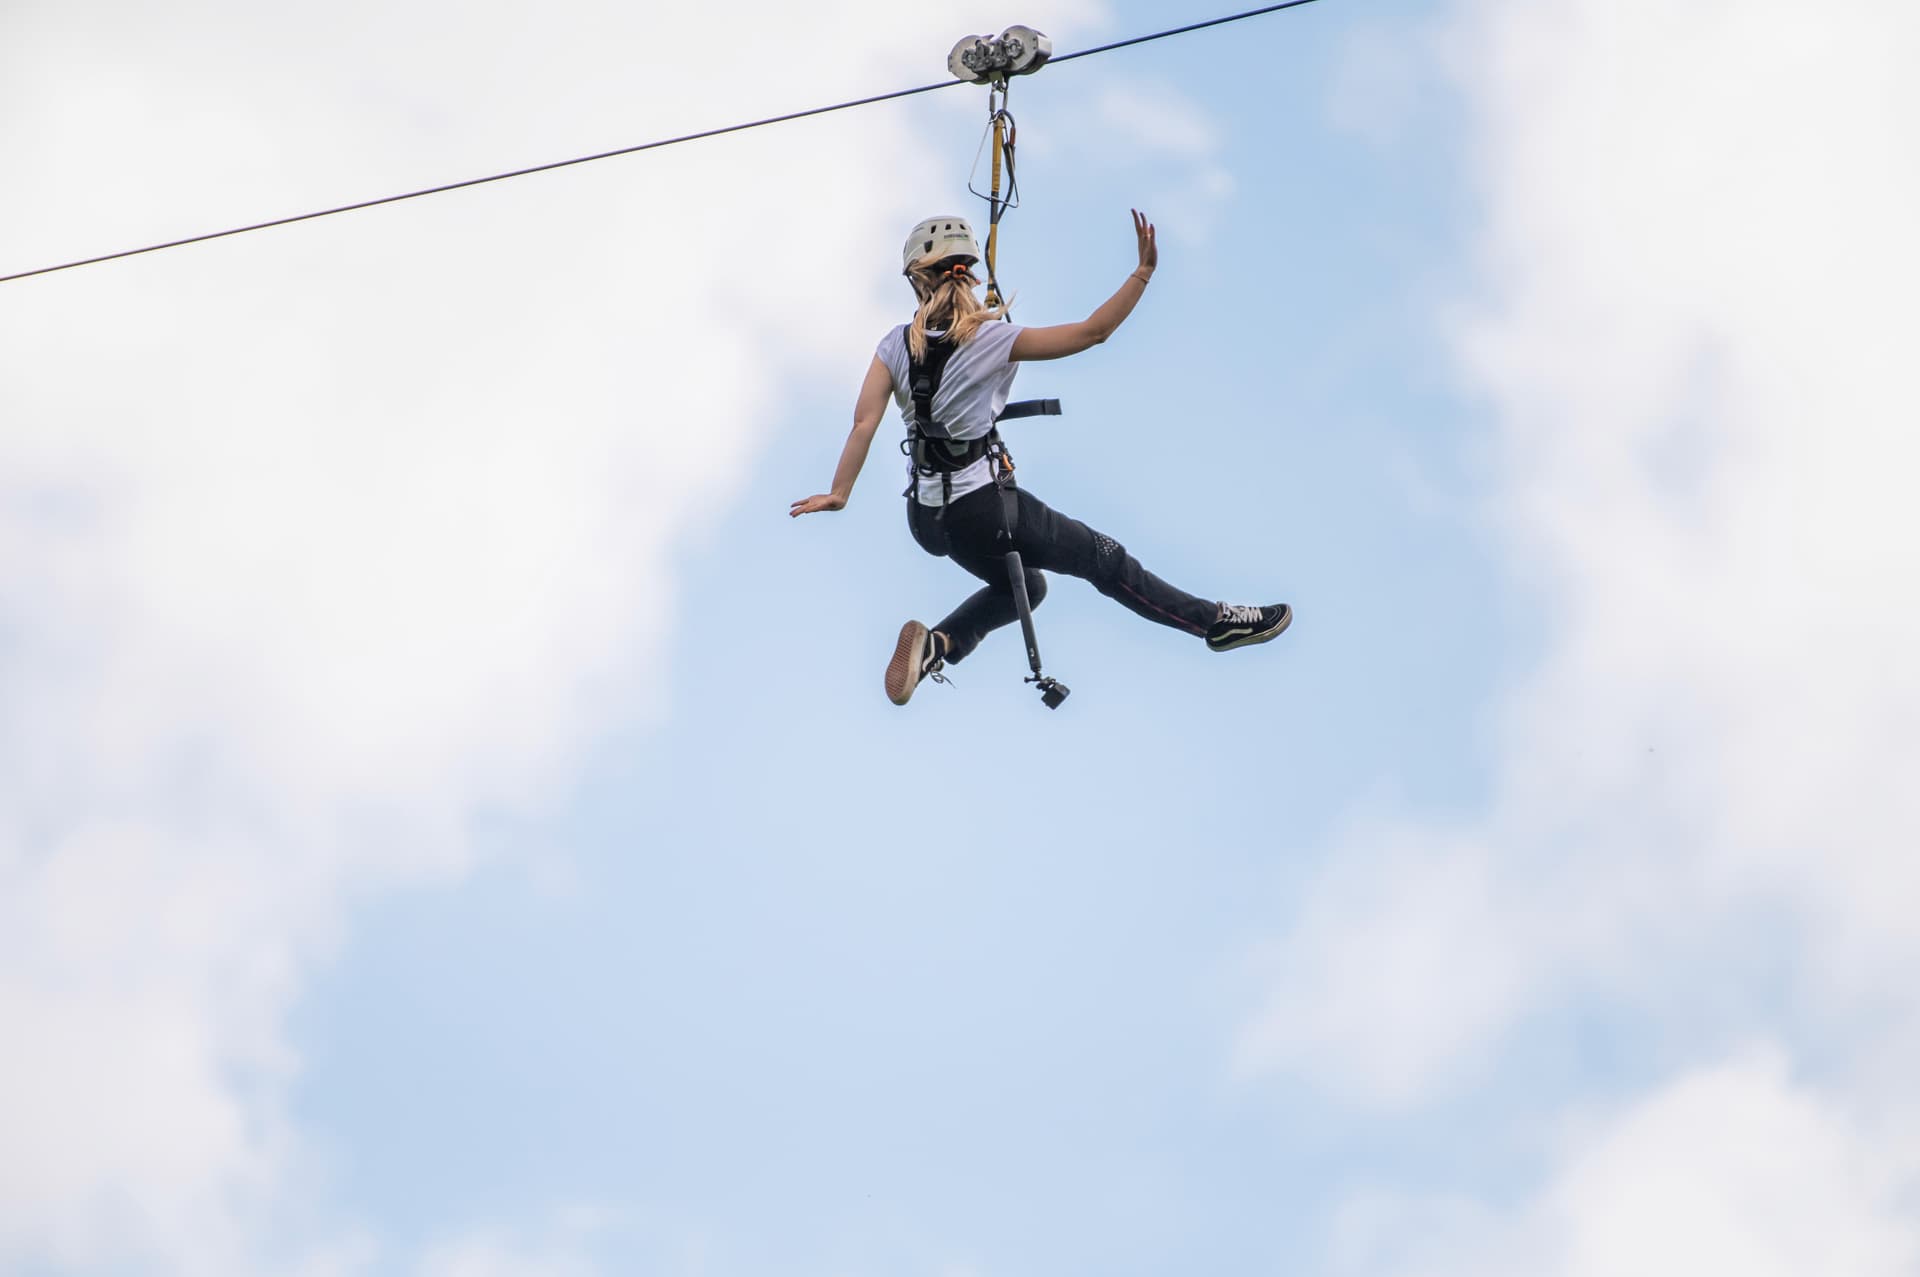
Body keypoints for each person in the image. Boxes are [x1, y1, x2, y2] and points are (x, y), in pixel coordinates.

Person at [790, 210, 1290, 705]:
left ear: (918, 283)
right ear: (969, 274)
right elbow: (1092, 332)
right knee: (1106, 560)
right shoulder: (994, 338)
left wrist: (839, 493)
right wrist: (1141, 275)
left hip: (926, 520)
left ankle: (938, 645)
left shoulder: (895, 345)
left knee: (1026, 586)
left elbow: (864, 424)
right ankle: (1215, 622)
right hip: (984, 512)